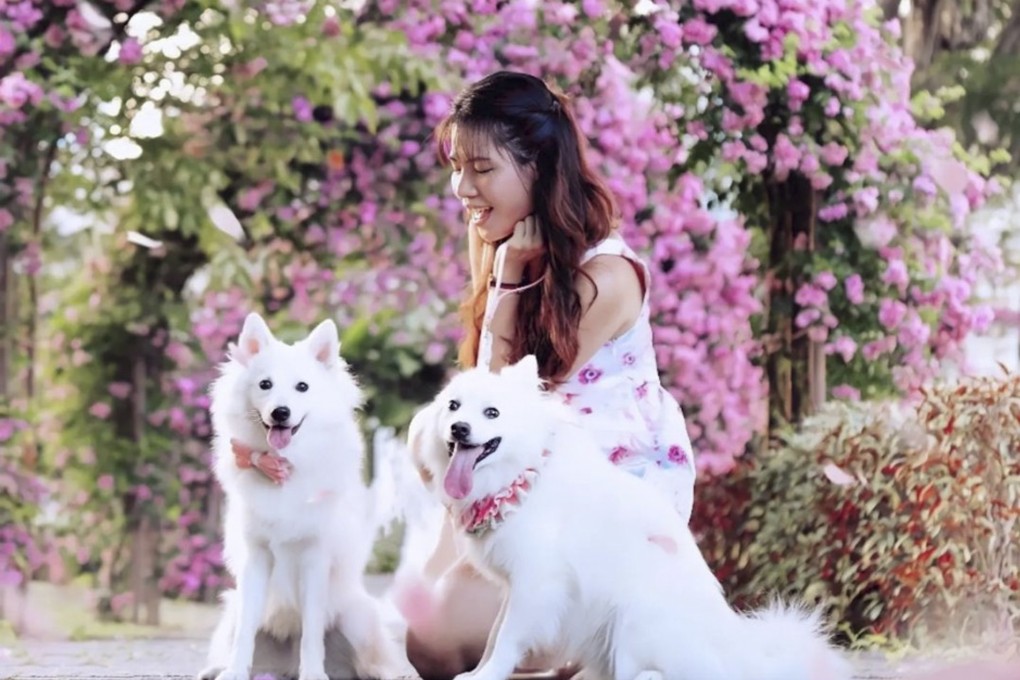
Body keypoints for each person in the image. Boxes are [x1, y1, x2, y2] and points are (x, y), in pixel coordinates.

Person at [232, 71, 697, 680]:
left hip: (596, 506)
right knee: (422, 631)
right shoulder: (506, 243)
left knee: (439, 638)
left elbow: (503, 404)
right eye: (457, 167)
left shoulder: (605, 279)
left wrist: (504, 284)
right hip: (516, 487)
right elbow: (470, 420)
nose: (462, 188)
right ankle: (569, 656)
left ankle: (612, 642)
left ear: (539, 166)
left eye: (482, 169)